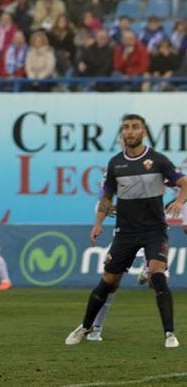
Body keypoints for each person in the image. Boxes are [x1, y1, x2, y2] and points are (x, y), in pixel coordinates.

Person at [66, 114, 187, 348]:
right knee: (108, 282)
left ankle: (169, 334)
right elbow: (106, 197)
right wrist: (98, 223)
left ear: (143, 132)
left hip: (154, 229)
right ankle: (87, 326)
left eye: (135, 127)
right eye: (126, 128)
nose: (130, 131)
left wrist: (180, 202)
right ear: (122, 134)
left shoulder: (158, 160)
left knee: (158, 276)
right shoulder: (115, 164)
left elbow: (184, 183)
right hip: (125, 232)